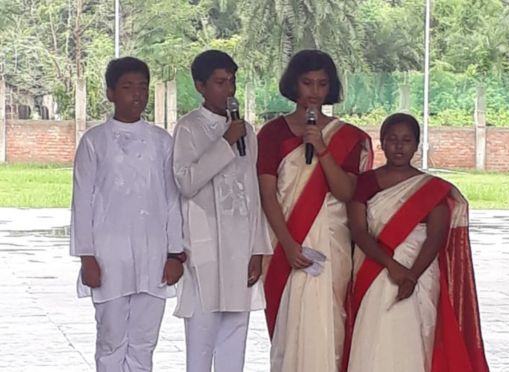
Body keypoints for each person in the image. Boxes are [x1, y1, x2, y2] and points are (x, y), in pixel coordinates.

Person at [344, 113, 489, 372]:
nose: (399, 146)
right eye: (392, 140)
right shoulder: (365, 183)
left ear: (417, 144)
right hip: (374, 270)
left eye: (407, 140)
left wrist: (411, 275)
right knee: (372, 334)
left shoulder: (432, 188)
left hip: (420, 273)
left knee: (415, 335)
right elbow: (358, 230)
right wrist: (392, 266)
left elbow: (435, 237)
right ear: (382, 143)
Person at [257, 49, 373, 372]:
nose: (314, 92)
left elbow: (347, 192)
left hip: (331, 246)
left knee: (330, 325)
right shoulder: (272, 134)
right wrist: (290, 245)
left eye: (322, 84)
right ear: (294, 85)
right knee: (288, 327)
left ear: (330, 88)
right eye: (307, 83)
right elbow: (267, 195)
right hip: (284, 245)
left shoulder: (348, 138)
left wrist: (321, 148)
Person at [70, 56, 185, 372]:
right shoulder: (94, 142)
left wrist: (176, 254)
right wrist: (87, 257)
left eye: (143, 87)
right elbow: (81, 201)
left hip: (153, 254)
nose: (137, 95)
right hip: (109, 256)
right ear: (110, 93)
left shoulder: (162, 141)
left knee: (144, 343)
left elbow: (173, 199)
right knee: (110, 341)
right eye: (127, 87)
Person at [172, 49, 272, 372]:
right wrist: (226, 143)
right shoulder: (188, 128)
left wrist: (257, 250)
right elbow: (187, 182)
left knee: (235, 337)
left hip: (240, 248)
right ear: (200, 86)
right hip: (205, 250)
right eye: (219, 82)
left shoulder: (247, 132)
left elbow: (253, 194)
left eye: (231, 81)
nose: (228, 89)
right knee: (202, 339)